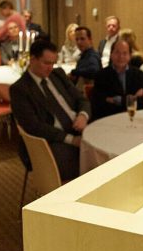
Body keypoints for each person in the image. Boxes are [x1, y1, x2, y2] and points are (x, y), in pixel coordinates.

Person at [10, 39, 90, 180]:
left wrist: (83, 115)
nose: (50, 68)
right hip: (49, 141)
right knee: (89, 162)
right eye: (46, 63)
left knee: (104, 147)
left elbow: (81, 99)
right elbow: (34, 127)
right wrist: (71, 139)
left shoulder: (57, 74)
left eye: (53, 63)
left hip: (78, 127)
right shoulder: (20, 89)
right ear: (32, 59)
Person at [90, 39, 143, 120]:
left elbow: (142, 104)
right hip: (109, 120)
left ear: (130, 56)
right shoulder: (101, 76)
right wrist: (132, 98)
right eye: (117, 52)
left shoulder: (139, 75)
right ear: (111, 55)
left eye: (125, 53)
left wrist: (116, 100)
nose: (121, 56)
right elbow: (99, 105)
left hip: (135, 119)